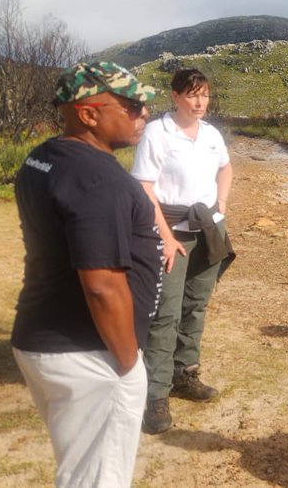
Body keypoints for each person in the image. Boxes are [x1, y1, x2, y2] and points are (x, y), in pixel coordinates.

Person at [12, 62, 162, 487]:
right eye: (132, 105)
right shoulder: (97, 178)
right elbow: (101, 286)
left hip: (46, 339)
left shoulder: (42, 158)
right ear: (88, 113)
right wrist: (129, 363)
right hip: (90, 354)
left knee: (78, 470)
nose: (143, 114)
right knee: (96, 479)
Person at [132, 68, 234, 434]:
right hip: (170, 232)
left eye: (204, 94)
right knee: (165, 313)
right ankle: (155, 395)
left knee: (196, 305)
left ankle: (185, 374)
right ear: (175, 97)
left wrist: (219, 204)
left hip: (207, 229)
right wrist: (165, 236)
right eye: (192, 95)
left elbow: (225, 168)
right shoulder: (157, 134)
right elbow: (144, 187)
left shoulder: (210, 135)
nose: (199, 101)